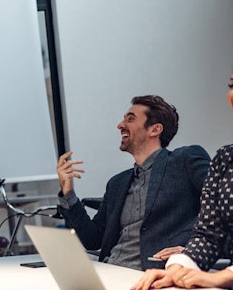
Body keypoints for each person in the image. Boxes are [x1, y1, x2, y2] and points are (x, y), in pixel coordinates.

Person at [56, 95, 210, 270]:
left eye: (130, 119)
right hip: (111, 269)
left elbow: (222, 212)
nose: (120, 125)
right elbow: (93, 239)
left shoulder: (184, 160)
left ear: (155, 129)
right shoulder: (117, 183)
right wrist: (68, 193)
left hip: (153, 273)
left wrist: (193, 250)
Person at [132, 74, 233, 289]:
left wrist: (222, 276)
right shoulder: (226, 159)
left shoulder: (185, 159)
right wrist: (179, 268)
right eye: (231, 85)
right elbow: (208, 235)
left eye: (131, 118)